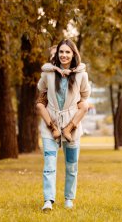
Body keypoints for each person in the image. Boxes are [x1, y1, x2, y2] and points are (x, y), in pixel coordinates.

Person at [35, 39, 91, 211]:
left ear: (73, 54)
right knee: (49, 166)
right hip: (49, 126)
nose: (64, 55)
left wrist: (77, 110)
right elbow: (41, 87)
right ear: (57, 54)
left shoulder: (81, 75)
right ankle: (48, 201)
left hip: (71, 127)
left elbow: (85, 94)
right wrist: (54, 69)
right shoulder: (48, 74)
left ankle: (69, 199)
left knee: (71, 166)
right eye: (61, 52)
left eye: (68, 52)